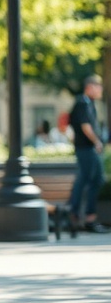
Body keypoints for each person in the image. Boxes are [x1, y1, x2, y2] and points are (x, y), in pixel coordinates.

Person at [68, 75, 108, 233]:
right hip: (86, 148)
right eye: (99, 87)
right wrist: (97, 142)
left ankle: (78, 216)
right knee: (94, 179)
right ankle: (82, 216)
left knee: (87, 179)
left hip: (87, 148)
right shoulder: (83, 103)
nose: (100, 90)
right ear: (90, 87)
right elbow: (86, 127)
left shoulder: (88, 103)